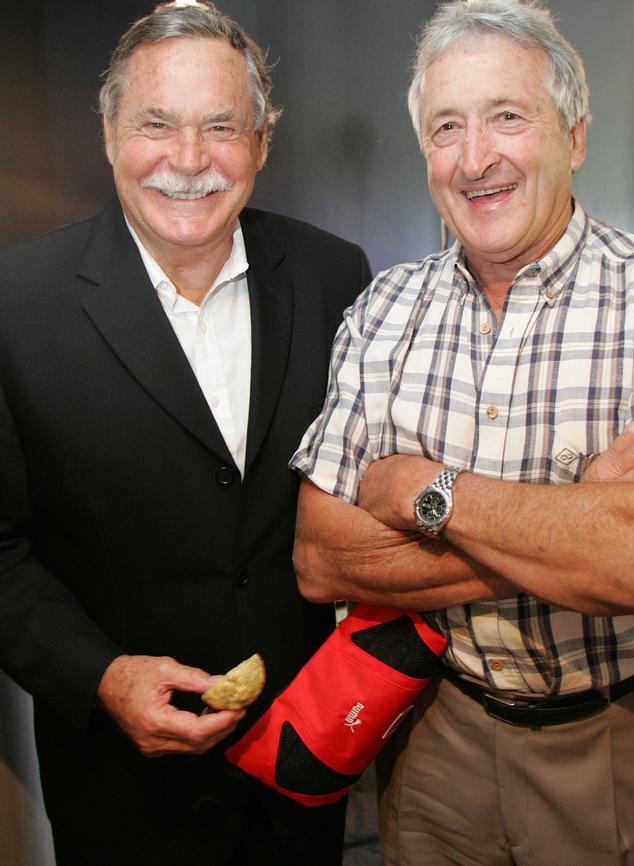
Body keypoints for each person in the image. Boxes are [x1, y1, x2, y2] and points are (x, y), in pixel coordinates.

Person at [0, 3, 370, 864]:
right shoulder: (15, 305)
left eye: (221, 127)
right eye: (156, 125)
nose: (190, 161)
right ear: (108, 133)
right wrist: (101, 676)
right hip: (120, 791)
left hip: (300, 777)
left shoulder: (335, 276)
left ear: (262, 143)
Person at [290, 1, 634, 864]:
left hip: (613, 742)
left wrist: (422, 490)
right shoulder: (382, 308)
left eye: (508, 117)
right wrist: (574, 528)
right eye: (446, 127)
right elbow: (319, 557)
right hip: (431, 738)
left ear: (577, 135)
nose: (476, 157)